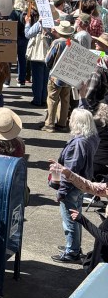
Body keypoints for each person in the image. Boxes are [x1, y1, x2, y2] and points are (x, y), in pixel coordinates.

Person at [54, 107, 99, 265]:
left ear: (78, 123)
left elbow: (70, 172)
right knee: (76, 215)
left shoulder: (77, 144)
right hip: (82, 185)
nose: (69, 120)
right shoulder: (92, 137)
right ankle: (74, 246)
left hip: (72, 187)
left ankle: (72, 251)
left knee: (69, 220)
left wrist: (62, 192)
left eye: (72, 118)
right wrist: (81, 96)